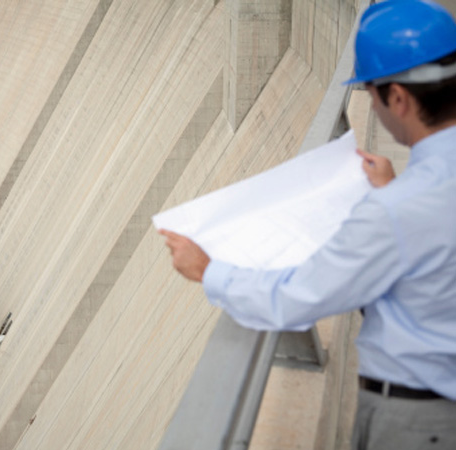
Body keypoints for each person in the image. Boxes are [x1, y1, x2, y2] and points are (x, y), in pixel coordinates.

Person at [159, 1, 456, 449]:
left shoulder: (398, 210)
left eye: (371, 96)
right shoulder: (414, 194)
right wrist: (393, 190)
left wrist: (208, 270)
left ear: (398, 97)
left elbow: (301, 297)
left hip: (418, 421)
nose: (374, 110)